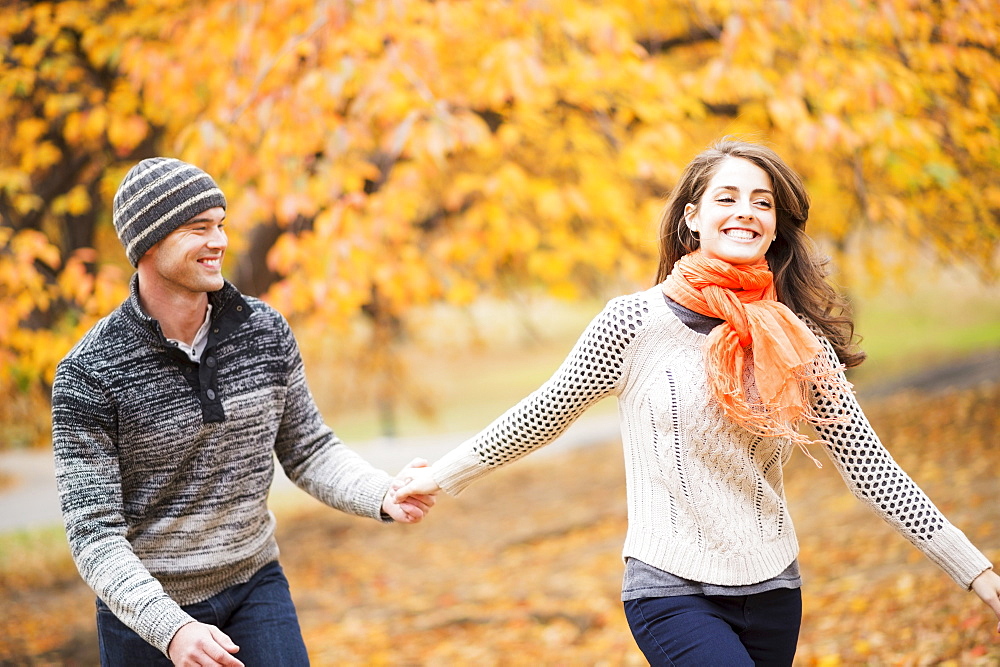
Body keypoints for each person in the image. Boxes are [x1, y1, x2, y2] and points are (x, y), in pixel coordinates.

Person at [394, 139, 1000, 665]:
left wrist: (976, 572)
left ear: (775, 226)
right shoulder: (633, 325)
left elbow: (872, 469)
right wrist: (439, 477)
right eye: (728, 197)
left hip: (772, 592)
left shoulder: (795, 340)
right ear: (693, 217)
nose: (746, 212)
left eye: (762, 202)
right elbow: (542, 414)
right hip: (670, 589)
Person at [51, 157, 436, 667]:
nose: (220, 241)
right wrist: (171, 630)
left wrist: (381, 493)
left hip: (253, 584)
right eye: (198, 228)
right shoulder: (89, 373)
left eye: (221, 224)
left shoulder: (264, 332)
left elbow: (309, 448)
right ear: (148, 244)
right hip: (146, 615)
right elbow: (93, 533)